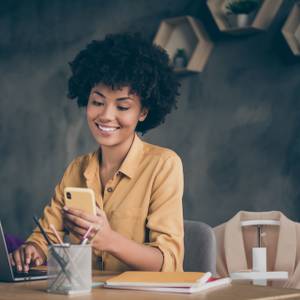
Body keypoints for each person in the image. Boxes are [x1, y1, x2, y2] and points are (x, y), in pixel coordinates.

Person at [10, 32, 184, 273]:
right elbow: (44, 236)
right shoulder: (76, 169)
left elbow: (169, 264)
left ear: (142, 112)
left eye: (122, 106)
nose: (105, 115)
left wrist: (110, 240)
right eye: (98, 102)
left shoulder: (163, 165)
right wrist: (32, 250)